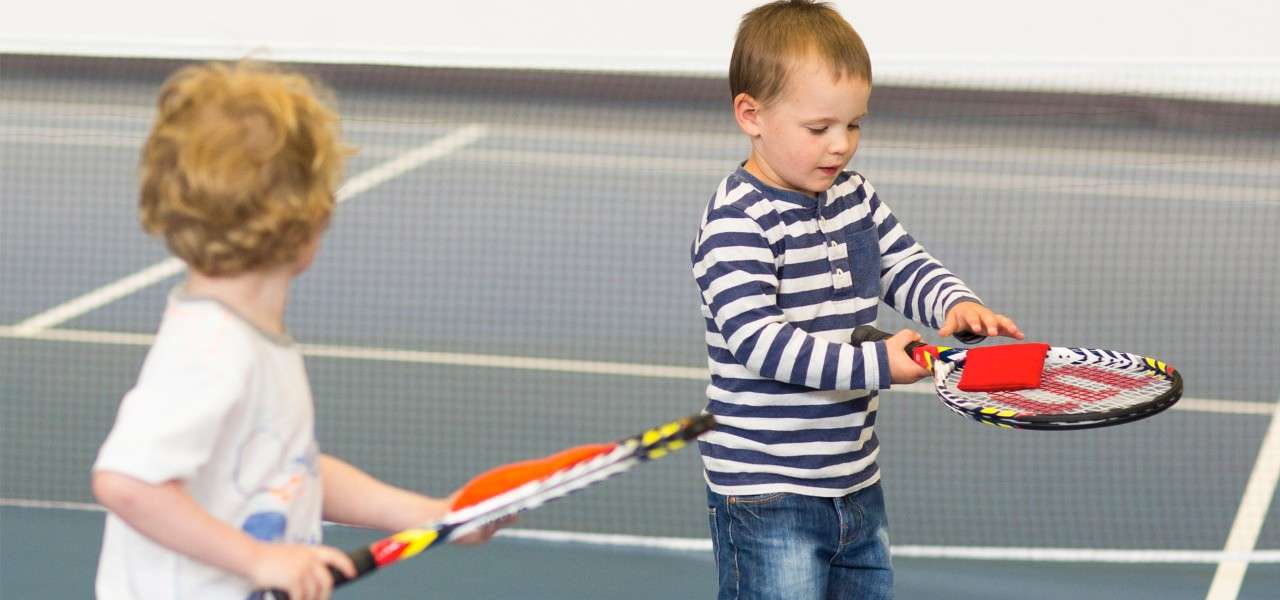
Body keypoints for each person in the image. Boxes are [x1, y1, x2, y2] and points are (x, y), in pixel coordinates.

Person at [91, 61, 503, 600]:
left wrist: (433, 515)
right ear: (313, 218)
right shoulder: (213, 352)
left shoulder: (248, 338)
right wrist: (258, 558)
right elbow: (127, 482)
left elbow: (286, 470)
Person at [690, 2, 1023, 598]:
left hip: (853, 476)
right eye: (819, 128)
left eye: (855, 124)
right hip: (768, 490)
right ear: (751, 114)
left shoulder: (854, 196)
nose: (841, 145)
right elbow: (762, 344)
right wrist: (879, 366)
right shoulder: (737, 222)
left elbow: (899, 262)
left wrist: (951, 305)